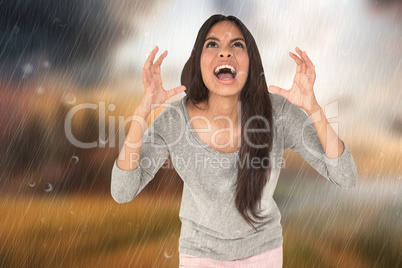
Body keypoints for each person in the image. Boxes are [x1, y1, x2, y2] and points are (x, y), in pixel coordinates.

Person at [111, 14, 358, 268]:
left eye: (237, 45)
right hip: (199, 255)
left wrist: (313, 108)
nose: (225, 53)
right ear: (198, 61)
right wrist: (142, 112)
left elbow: (346, 177)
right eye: (213, 44)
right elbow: (122, 192)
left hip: (264, 253)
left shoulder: (278, 113)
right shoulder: (174, 120)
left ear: (251, 63)